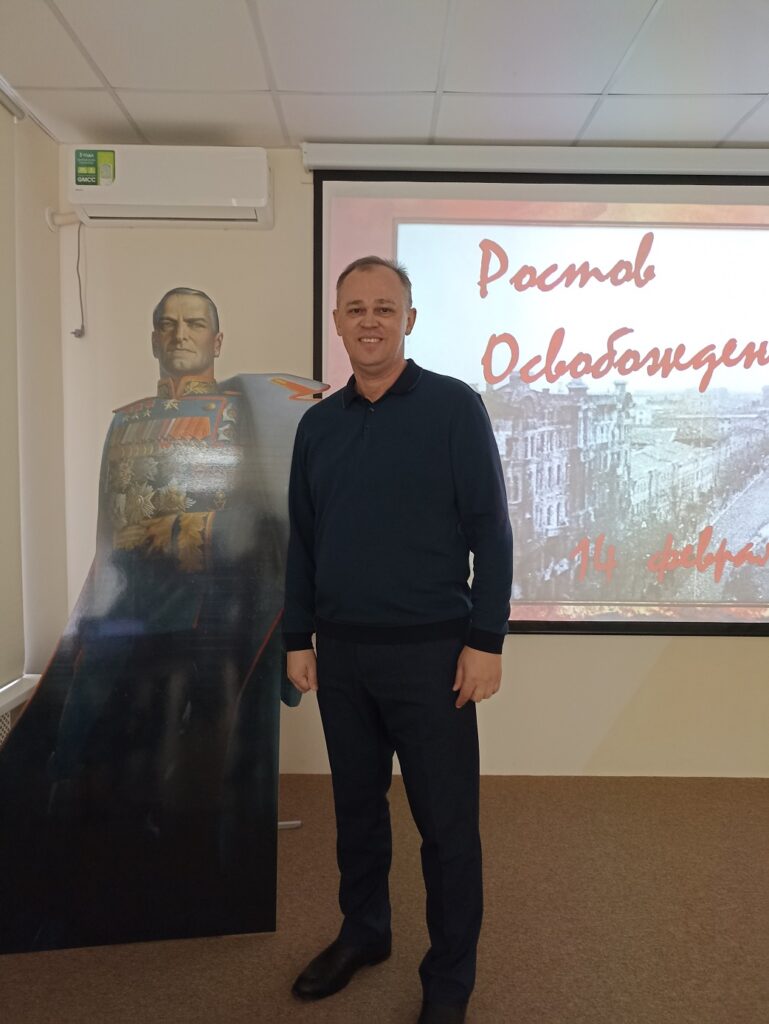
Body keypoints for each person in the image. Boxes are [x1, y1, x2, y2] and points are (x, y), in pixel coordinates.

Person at [0, 286, 319, 952]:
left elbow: (263, 515)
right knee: (91, 741)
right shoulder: (126, 422)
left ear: (217, 340)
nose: (180, 334)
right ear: (153, 338)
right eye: (167, 324)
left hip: (211, 617)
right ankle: (88, 884)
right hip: (128, 612)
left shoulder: (242, 413)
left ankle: (193, 885)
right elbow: (107, 530)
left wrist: (185, 530)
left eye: (195, 323)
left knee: (202, 758)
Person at [284, 257, 513, 1024]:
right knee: (355, 811)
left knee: (445, 829)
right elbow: (302, 543)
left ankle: (447, 982)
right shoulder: (317, 426)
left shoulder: (453, 408)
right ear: (337, 323)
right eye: (355, 308)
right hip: (342, 656)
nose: (369, 320)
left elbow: (491, 532)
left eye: (384, 307)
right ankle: (364, 931)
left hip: (432, 658)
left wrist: (486, 640)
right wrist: (297, 636)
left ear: (408, 319)